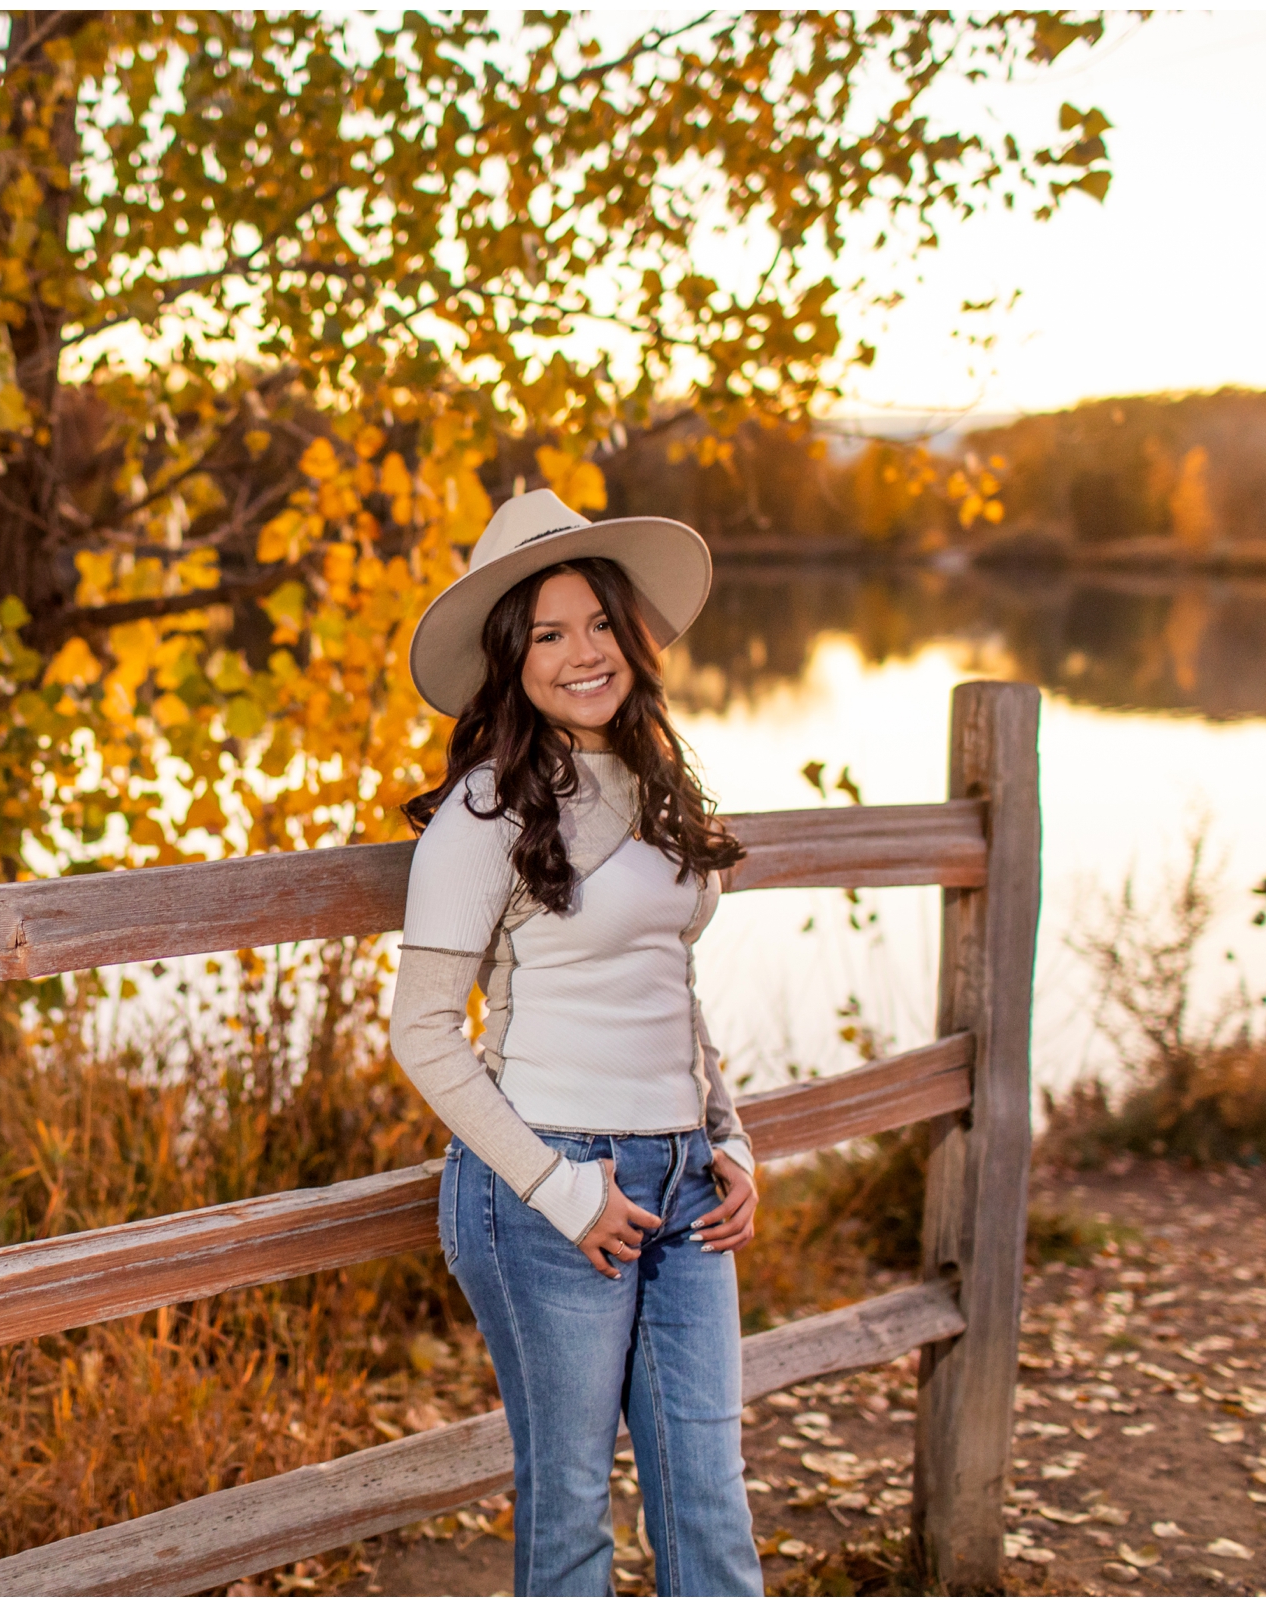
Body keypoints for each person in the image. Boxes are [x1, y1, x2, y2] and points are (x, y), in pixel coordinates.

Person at [392, 488, 763, 1596]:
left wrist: (731, 1135)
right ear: (512, 659)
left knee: (710, 1505)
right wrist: (564, 1191)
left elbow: (671, 982)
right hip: (546, 1181)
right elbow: (422, 1033)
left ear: (633, 637)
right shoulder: (483, 814)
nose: (583, 652)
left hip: (685, 1181)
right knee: (570, 1521)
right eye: (549, 633)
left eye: (599, 621)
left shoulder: (657, 789)